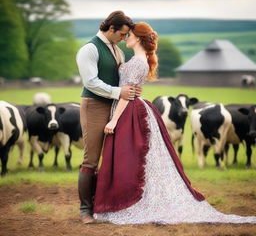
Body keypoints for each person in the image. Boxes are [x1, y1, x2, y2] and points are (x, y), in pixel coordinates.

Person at [93, 22, 256, 224]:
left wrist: (114, 121)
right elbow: (130, 90)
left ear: (138, 38)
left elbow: (127, 95)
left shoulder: (137, 62)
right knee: (134, 159)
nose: (127, 37)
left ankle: (128, 201)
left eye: (130, 35)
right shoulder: (138, 60)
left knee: (128, 159)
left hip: (129, 111)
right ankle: (126, 198)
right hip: (135, 108)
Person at [76, 11, 142, 224]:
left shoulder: (116, 50)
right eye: (122, 34)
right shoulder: (89, 49)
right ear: (111, 28)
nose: (124, 39)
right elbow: (90, 82)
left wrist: (131, 91)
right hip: (94, 106)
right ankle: (86, 210)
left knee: (113, 157)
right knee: (92, 158)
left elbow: (121, 80)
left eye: (126, 36)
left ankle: (101, 205)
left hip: (114, 107)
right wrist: (118, 92)